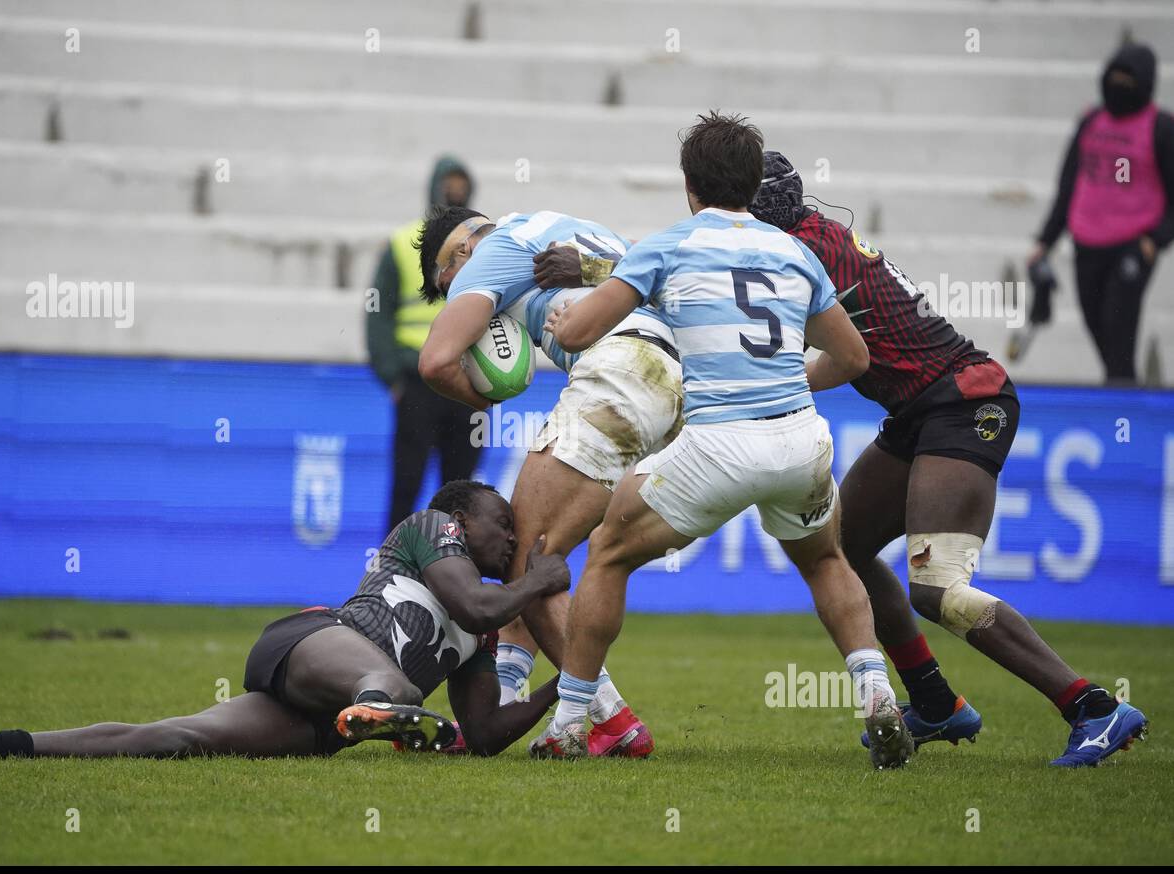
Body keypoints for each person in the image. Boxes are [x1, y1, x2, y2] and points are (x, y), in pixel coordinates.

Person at [742, 149, 1149, 767]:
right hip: (921, 408)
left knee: (936, 587)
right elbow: (849, 352)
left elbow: (819, 353)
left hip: (963, 401)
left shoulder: (798, 257)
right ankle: (934, 702)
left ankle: (1092, 706)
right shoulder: (811, 238)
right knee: (839, 548)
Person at [537, 112, 914, 770]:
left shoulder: (669, 245)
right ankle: (878, 693)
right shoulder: (794, 252)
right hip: (799, 439)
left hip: (716, 443)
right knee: (827, 562)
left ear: (690, 185)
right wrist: (789, 381)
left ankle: (570, 723)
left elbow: (573, 336)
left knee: (607, 553)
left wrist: (570, 314)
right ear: (752, 182)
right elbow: (854, 358)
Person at [0, 481, 571, 761]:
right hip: (313, 645)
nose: (511, 535)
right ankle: (382, 709)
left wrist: (569, 687)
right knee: (394, 686)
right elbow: (475, 604)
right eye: (502, 521)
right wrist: (540, 580)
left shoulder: (484, 632)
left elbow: (484, 732)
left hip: (319, 721)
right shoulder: (433, 527)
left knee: (173, 738)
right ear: (461, 516)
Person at [415, 204, 682, 757]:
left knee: (525, 559)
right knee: (543, 552)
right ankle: (501, 703)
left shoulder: (491, 253)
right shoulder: (572, 229)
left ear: (460, 252)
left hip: (620, 373)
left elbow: (436, 361)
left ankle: (611, 719)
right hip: (676, 386)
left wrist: (485, 395)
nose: (455, 297)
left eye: (448, 286)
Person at [1031, 42, 1174, 384]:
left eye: (1129, 80)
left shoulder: (1163, 128)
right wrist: (1045, 241)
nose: (1119, 86)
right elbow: (1068, 184)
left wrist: (1156, 240)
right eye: (1115, 77)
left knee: (1118, 328)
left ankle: (1123, 409)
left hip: (1132, 246)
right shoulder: (1091, 121)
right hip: (1086, 243)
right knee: (1098, 327)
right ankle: (1122, 391)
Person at [368, 156, 484, 531]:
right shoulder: (403, 243)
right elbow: (377, 314)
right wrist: (393, 377)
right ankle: (390, 572)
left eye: (460, 185)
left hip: (467, 381)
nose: (454, 193)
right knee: (407, 484)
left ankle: (454, 575)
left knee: (461, 491)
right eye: (449, 185)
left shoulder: (483, 246)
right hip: (418, 380)